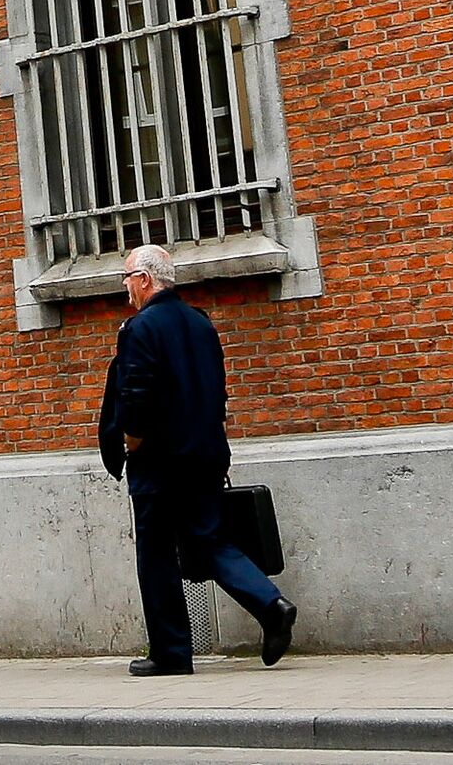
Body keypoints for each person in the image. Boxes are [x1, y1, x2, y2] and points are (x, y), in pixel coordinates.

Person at [99, 243, 296, 675]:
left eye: (127, 278)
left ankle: (171, 653)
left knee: (157, 554)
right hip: (206, 453)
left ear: (145, 280)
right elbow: (216, 390)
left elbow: (136, 395)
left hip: (160, 460)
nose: (125, 288)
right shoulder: (200, 322)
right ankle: (271, 605)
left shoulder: (139, 328)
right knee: (208, 540)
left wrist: (132, 442)